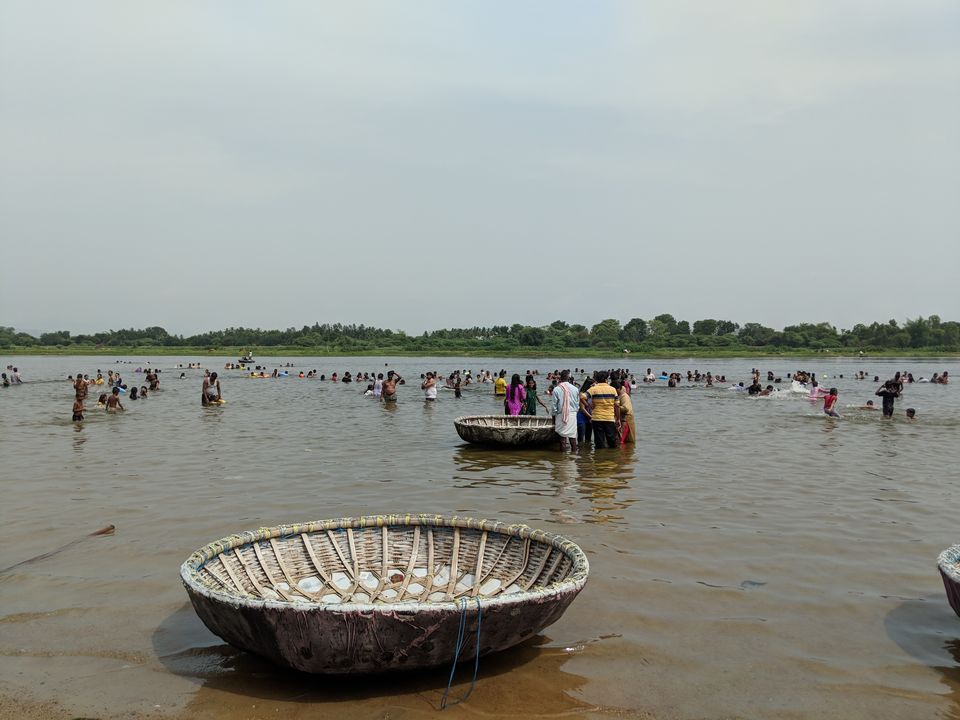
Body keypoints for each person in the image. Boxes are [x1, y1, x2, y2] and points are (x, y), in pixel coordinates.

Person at [587, 371, 620, 448]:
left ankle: (599, 458)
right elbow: (617, 405)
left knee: (599, 443)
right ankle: (612, 458)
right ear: (606, 379)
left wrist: (589, 405)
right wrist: (618, 419)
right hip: (609, 418)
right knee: (611, 442)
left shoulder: (593, 389)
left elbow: (582, 397)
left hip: (597, 418)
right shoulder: (612, 390)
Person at [551, 370, 579, 451]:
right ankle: (573, 456)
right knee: (573, 437)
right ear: (569, 378)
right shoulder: (575, 389)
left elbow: (554, 406)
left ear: (560, 377)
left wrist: (553, 419)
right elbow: (577, 405)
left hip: (561, 415)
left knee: (562, 439)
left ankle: (561, 460)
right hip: (572, 415)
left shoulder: (556, 389)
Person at [578, 378, 594, 446]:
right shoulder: (582, 394)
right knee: (580, 439)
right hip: (582, 417)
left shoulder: (591, 394)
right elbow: (582, 409)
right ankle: (580, 454)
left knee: (588, 439)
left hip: (589, 417)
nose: (593, 387)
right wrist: (591, 417)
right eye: (592, 385)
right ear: (589, 385)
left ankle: (588, 454)